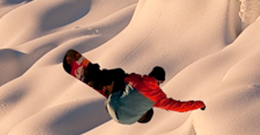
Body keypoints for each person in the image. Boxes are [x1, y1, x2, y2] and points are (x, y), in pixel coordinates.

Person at [63, 49, 205, 124]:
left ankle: (93, 76)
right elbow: (180, 107)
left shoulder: (138, 80)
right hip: (124, 119)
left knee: (119, 74)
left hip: (114, 103)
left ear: (151, 74)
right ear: (160, 82)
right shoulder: (158, 99)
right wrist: (199, 104)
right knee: (143, 107)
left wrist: (100, 72)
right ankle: (104, 88)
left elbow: (119, 77)